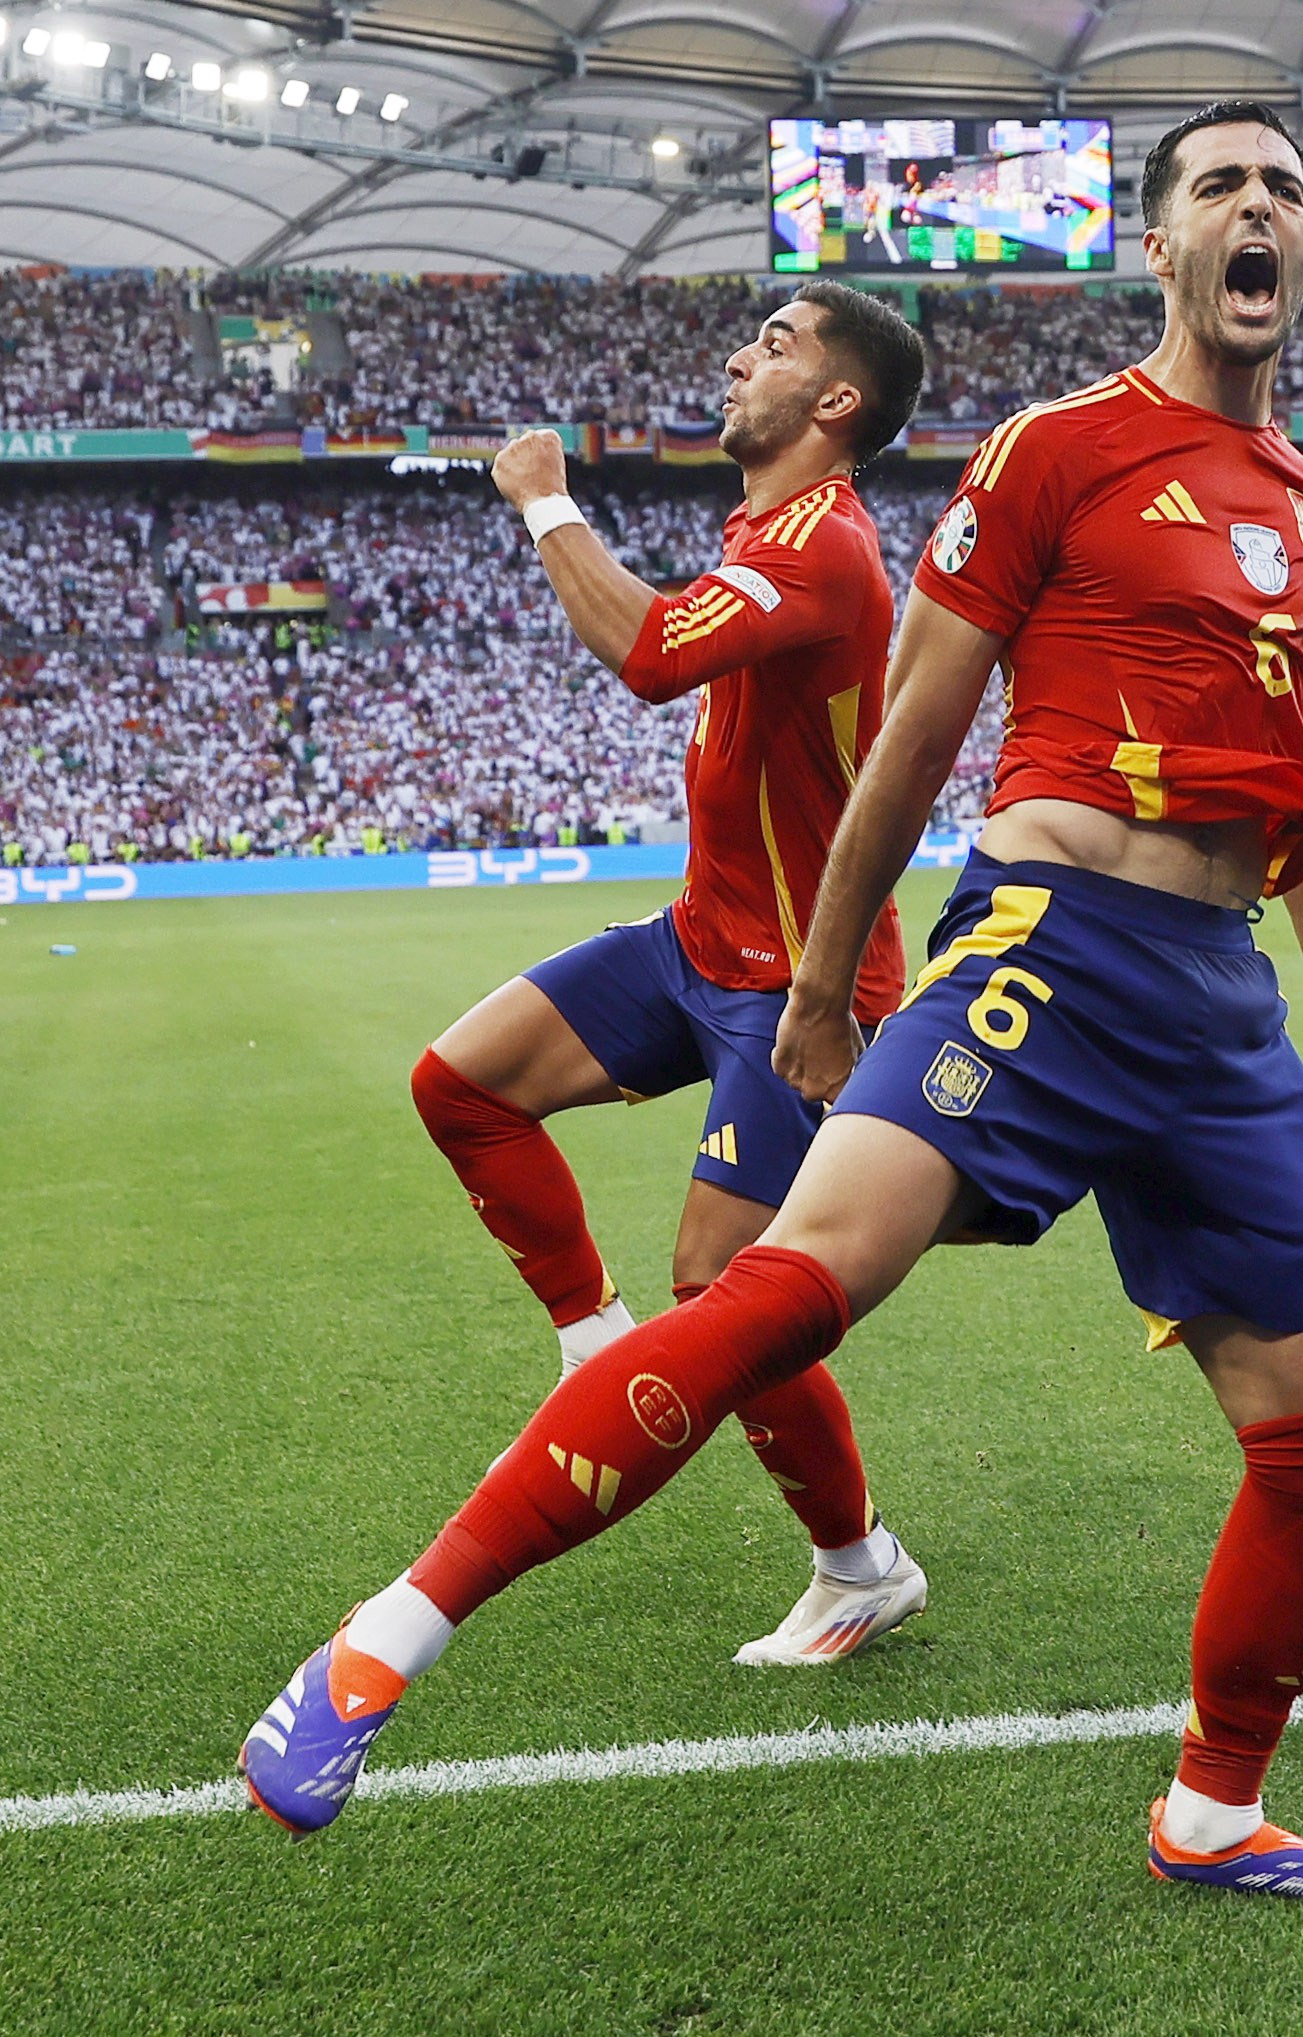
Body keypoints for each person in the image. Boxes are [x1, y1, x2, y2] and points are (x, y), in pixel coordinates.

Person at [240, 100, 1303, 1902]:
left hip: (1219, 1004)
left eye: (1285, 191)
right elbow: (920, 736)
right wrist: (820, 975)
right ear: (1162, 247)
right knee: (773, 1296)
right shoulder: (1059, 449)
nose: (1259, 212)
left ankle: (1211, 1810)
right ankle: (384, 1639)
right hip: (1049, 942)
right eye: (1220, 189)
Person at [393, 282, 934, 1679]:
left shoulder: (826, 548)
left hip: (803, 983)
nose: (742, 354)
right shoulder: (765, 529)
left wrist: (543, 500)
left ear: (837, 404)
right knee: (459, 1083)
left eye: (779, 343)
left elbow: (647, 655)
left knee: (725, 1288)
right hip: (703, 941)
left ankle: (858, 1563)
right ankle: (592, 1342)